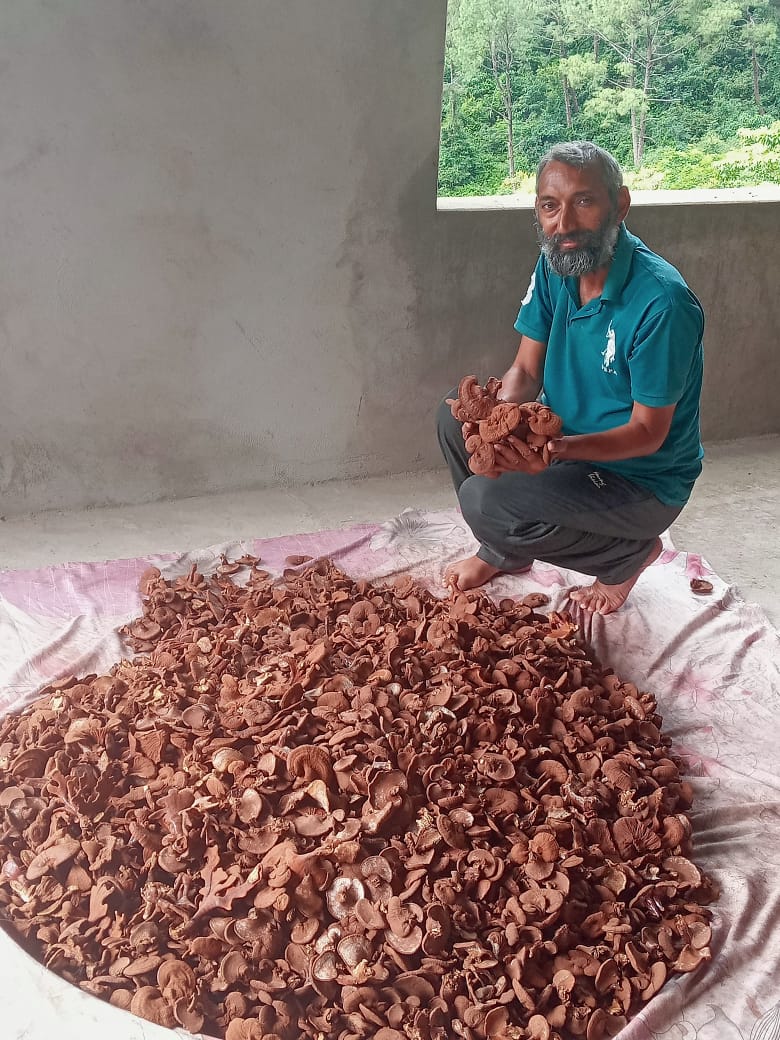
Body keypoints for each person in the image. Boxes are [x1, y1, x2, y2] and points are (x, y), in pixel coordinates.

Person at [436, 141, 704, 615]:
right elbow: (525, 370)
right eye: (550, 206)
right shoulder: (556, 265)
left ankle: (625, 555)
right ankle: (503, 551)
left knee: (485, 500)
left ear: (620, 204)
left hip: (639, 479)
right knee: (454, 420)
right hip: (568, 443)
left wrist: (557, 449)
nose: (564, 224)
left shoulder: (662, 303)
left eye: (584, 201)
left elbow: (648, 432)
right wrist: (495, 418)